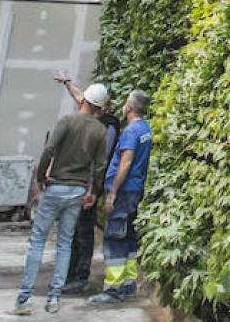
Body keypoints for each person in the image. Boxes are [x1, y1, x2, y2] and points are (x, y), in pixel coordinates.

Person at [11, 80, 110, 315]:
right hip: (77, 192)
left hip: (56, 187)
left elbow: (49, 149)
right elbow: (100, 165)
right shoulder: (100, 130)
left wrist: (40, 176)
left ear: (84, 99)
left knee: (38, 241)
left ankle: (24, 298)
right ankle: (54, 297)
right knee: (65, 243)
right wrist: (93, 192)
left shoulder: (67, 121)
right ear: (100, 107)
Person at [54, 74, 122, 296]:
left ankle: (80, 276)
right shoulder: (91, 114)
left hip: (90, 188)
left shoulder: (108, 126)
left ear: (97, 108)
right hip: (78, 183)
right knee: (72, 230)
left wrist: (93, 190)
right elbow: (79, 96)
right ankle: (70, 273)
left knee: (83, 230)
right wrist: (67, 83)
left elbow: (101, 161)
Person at [92, 90, 152, 305]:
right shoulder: (145, 129)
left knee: (115, 238)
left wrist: (113, 193)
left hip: (124, 191)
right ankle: (128, 284)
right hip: (135, 190)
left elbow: (125, 162)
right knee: (127, 237)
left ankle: (113, 289)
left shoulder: (130, 132)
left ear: (130, 106)